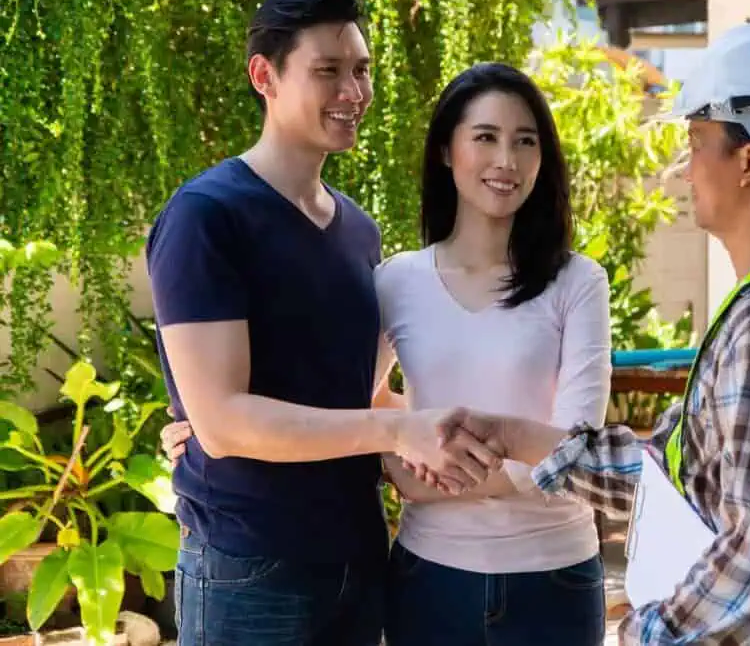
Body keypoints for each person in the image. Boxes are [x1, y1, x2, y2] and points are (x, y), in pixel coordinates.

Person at [431, 21, 750, 646]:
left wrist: (646, 635)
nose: (682, 167)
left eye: (697, 142)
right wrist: (519, 437)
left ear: (747, 161)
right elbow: (685, 475)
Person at [163, 61, 613, 646]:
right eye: (486, 138)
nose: (507, 160)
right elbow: (353, 399)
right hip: (431, 578)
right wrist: (207, 425)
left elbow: (578, 449)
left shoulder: (578, 282)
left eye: (526, 142)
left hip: (555, 578)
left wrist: (422, 472)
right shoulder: (398, 280)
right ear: (447, 152)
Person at [146, 0, 502, 646]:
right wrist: (397, 433)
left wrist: (446, 434)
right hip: (251, 566)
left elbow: (358, 390)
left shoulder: (358, 231)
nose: (354, 91)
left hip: (358, 558)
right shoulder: (206, 217)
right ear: (265, 76)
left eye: (361, 69)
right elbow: (221, 422)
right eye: (328, 71)